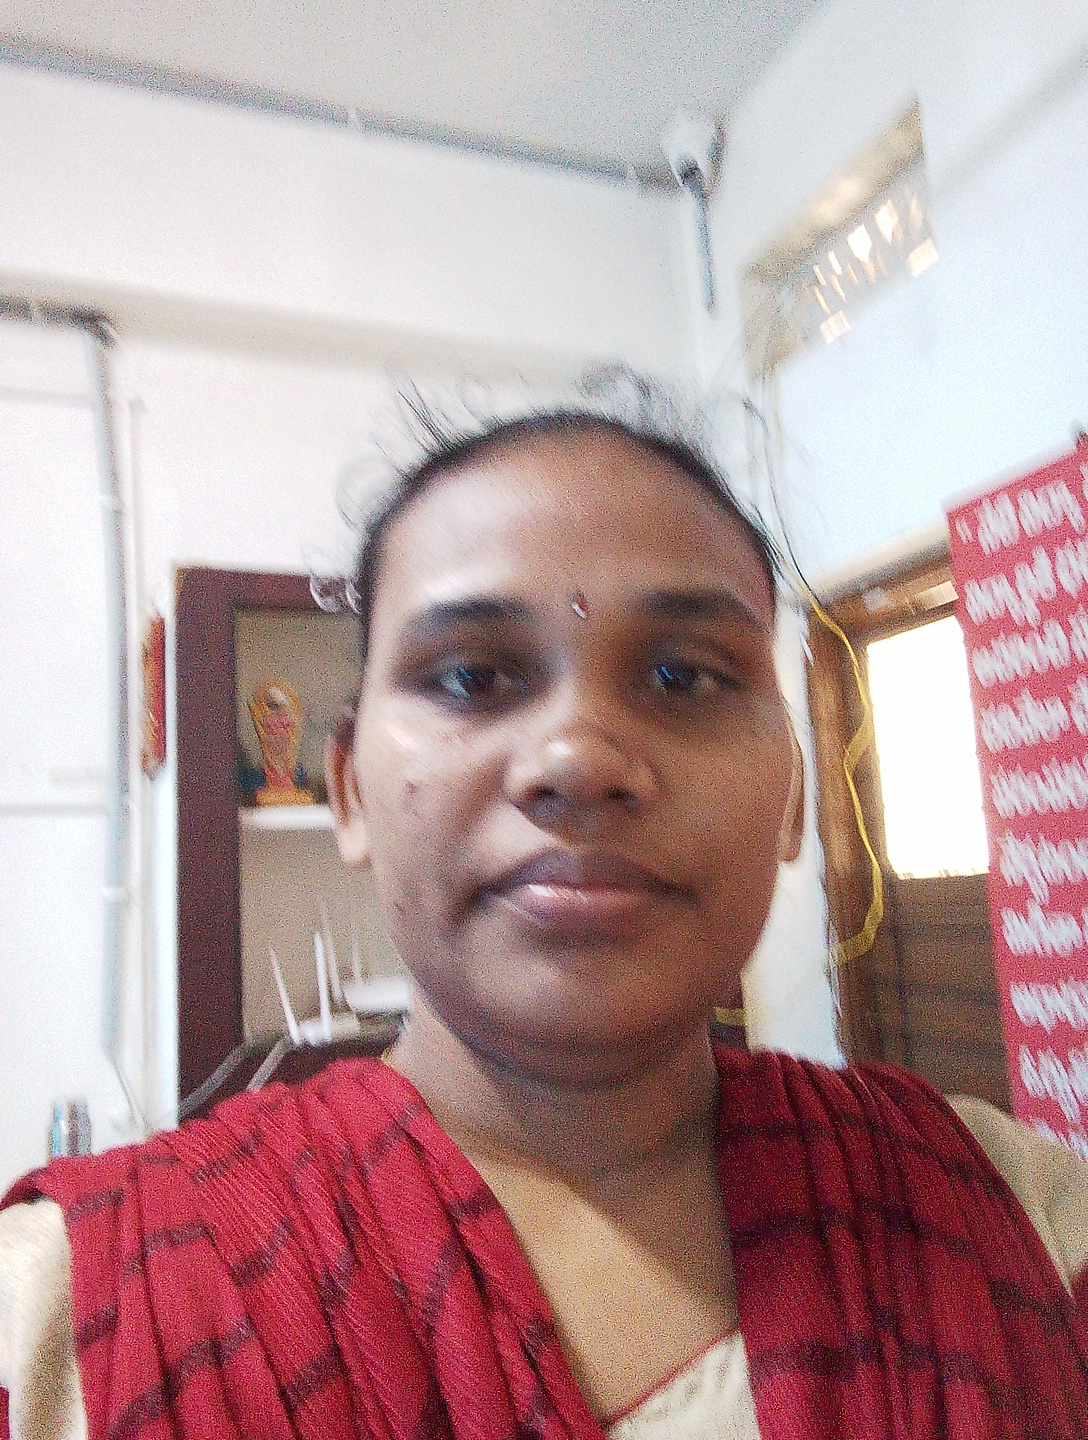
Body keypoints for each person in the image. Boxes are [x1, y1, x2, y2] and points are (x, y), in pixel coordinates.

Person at [2, 403, 1087, 1440]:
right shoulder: (62, 1323)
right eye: (471, 677)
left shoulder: (1022, 1217)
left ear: (795, 795)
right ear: (348, 792)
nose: (577, 758)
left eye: (683, 676)